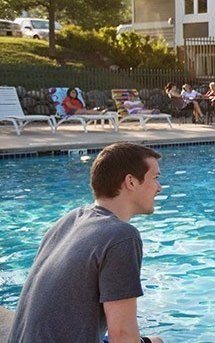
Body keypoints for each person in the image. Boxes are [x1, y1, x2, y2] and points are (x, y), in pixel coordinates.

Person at [8, 142, 165, 343]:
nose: (159, 188)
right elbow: (122, 336)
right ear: (131, 182)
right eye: (155, 178)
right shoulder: (122, 236)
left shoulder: (71, 219)